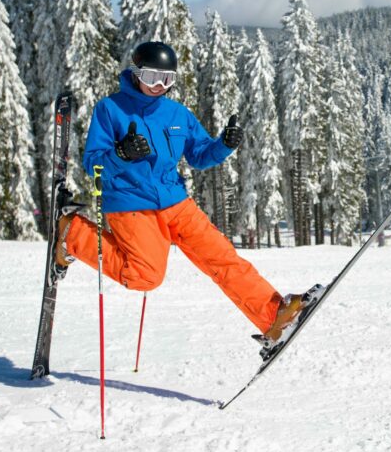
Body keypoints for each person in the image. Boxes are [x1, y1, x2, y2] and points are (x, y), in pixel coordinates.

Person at [55, 42, 309, 344]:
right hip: (130, 203)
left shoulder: (177, 114)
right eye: (152, 78)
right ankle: (72, 233)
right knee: (145, 276)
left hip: (175, 201)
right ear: (136, 74)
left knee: (222, 256)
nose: (159, 86)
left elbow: (200, 155)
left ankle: (273, 315)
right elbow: (92, 163)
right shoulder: (111, 109)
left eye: (167, 79)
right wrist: (120, 154)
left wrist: (223, 145)